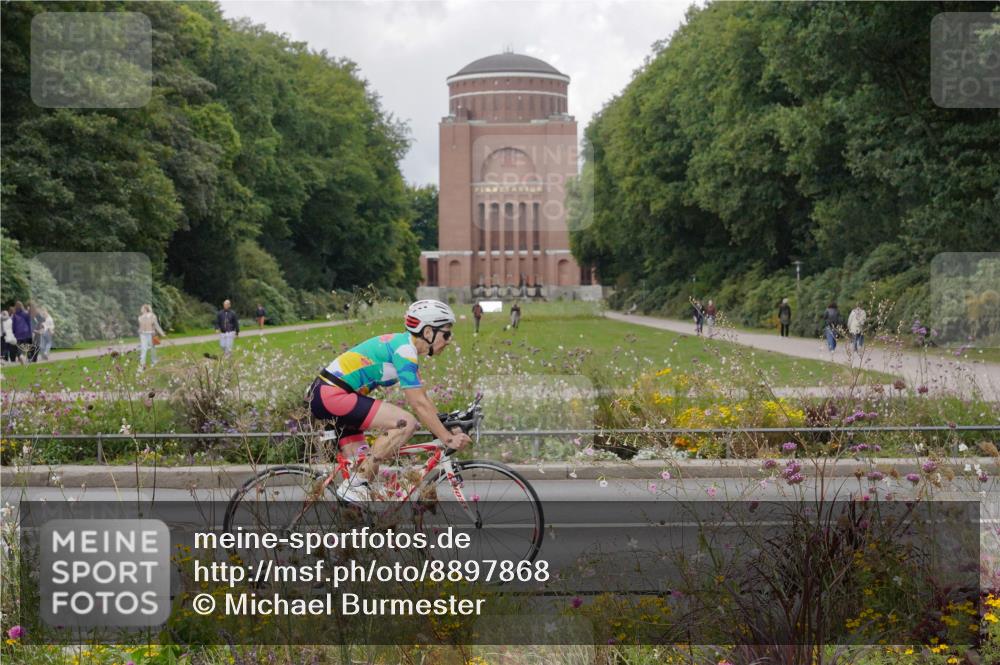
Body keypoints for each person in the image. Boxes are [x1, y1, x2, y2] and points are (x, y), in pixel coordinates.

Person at [308, 299, 471, 501]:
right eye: (446, 334)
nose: (449, 340)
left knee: (367, 475)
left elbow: (424, 399)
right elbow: (418, 405)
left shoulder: (404, 348)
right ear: (428, 332)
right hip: (331, 395)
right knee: (406, 423)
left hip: (330, 396)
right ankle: (354, 485)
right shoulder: (404, 351)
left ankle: (356, 522)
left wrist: (447, 425)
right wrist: (447, 438)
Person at [137, 304, 166, 369]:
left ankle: (153, 362)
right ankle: (142, 364)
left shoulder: (152, 316)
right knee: (144, 349)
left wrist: (162, 333)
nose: (141, 309)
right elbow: (141, 327)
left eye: (142, 308)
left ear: (145, 309)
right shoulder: (140, 317)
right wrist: (140, 332)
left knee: (152, 348)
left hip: (151, 335)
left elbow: (156, 325)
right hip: (143, 335)